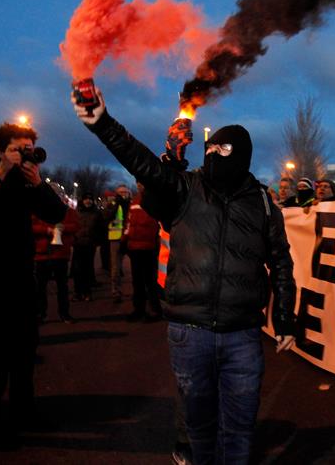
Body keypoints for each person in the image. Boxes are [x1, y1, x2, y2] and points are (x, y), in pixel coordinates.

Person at [73, 89, 296, 465]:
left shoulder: (262, 203)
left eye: (221, 152)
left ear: (241, 156)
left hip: (242, 333)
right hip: (189, 331)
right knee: (198, 426)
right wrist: (102, 123)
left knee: (239, 428)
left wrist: (286, 317)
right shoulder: (186, 188)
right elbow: (140, 161)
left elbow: (282, 263)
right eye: (209, 150)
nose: (212, 156)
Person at [0, 121, 66, 447]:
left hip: (20, 274)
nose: (24, 156)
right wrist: (1, 173)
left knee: (26, 345)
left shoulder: (25, 181)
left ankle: (24, 412)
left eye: (28, 150)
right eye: (17, 150)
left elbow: (56, 214)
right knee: (4, 346)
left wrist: (38, 186)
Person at [33, 203, 79, 324]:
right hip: (42, 254)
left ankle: (64, 313)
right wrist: (47, 230)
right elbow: (30, 226)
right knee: (40, 287)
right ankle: (40, 313)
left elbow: (76, 226)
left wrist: (63, 227)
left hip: (60, 253)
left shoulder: (69, 211)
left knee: (62, 286)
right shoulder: (36, 209)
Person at [123, 182, 162, 322]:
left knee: (150, 281)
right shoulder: (135, 200)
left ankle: (155, 310)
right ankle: (139, 309)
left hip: (148, 247)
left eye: (141, 182)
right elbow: (129, 221)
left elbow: (155, 223)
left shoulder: (153, 199)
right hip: (135, 247)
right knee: (137, 281)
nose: (139, 185)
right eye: (138, 182)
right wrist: (125, 238)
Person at [71, 192, 104, 302]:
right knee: (77, 269)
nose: (88, 201)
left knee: (87, 268)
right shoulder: (76, 212)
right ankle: (77, 292)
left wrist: (97, 240)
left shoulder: (97, 213)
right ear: (82, 200)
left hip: (90, 244)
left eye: (90, 199)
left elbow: (100, 228)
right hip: (78, 243)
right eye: (86, 199)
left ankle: (87, 292)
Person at [102, 184, 131, 302]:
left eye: (125, 192)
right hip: (116, 238)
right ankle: (116, 292)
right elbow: (107, 217)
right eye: (120, 192)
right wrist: (116, 205)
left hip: (130, 238)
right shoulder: (112, 204)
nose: (123, 194)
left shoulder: (133, 204)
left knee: (137, 267)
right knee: (115, 268)